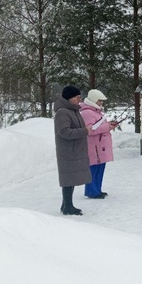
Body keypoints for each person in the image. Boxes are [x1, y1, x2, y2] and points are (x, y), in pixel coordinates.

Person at [54, 86, 92, 216]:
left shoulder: (73, 111)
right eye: (77, 97)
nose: (79, 100)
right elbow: (64, 132)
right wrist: (84, 131)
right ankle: (67, 206)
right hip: (67, 151)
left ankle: (66, 205)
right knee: (68, 179)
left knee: (72, 178)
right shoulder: (62, 112)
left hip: (75, 150)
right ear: (69, 98)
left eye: (80, 97)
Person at [80, 89, 116, 198]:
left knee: (99, 168)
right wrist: (107, 127)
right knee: (94, 169)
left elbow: (97, 126)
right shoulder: (87, 113)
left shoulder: (95, 111)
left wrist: (108, 125)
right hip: (94, 146)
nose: (101, 103)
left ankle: (97, 190)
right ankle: (92, 191)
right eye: (100, 100)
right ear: (94, 100)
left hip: (99, 146)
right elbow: (90, 130)